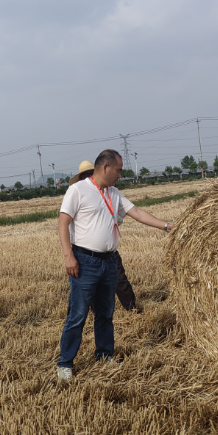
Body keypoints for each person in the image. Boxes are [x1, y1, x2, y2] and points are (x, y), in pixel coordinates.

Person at [56, 149, 175, 382]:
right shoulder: (77, 190)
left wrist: (166, 225)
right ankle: (65, 363)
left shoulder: (114, 193)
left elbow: (137, 212)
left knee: (105, 313)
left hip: (109, 261)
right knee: (78, 314)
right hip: (85, 261)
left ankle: (104, 354)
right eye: (119, 170)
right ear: (106, 167)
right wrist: (68, 256)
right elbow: (62, 223)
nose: (121, 174)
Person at [69, 160, 138, 312]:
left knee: (120, 280)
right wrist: (70, 255)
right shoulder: (77, 193)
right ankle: (95, 311)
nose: (88, 177)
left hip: (109, 253)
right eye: (85, 175)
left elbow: (126, 215)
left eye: (90, 174)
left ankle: (132, 309)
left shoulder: (109, 192)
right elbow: (66, 225)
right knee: (90, 287)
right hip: (85, 254)